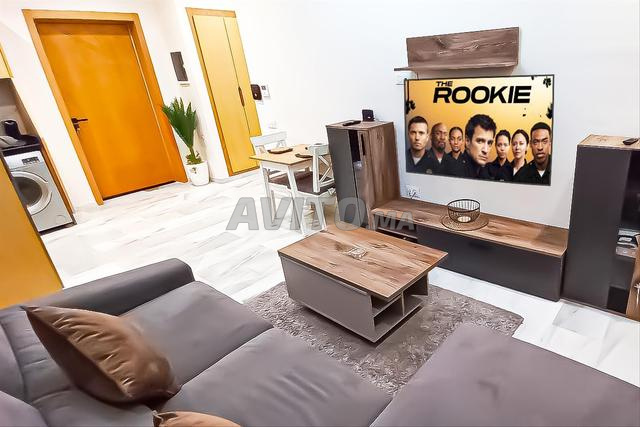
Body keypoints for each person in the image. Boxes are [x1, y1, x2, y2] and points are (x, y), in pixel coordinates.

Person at [445, 114, 495, 180]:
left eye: (489, 143)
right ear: (467, 141)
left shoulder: (488, 174)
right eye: (480, 141)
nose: (486, 150)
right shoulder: (453, 171)